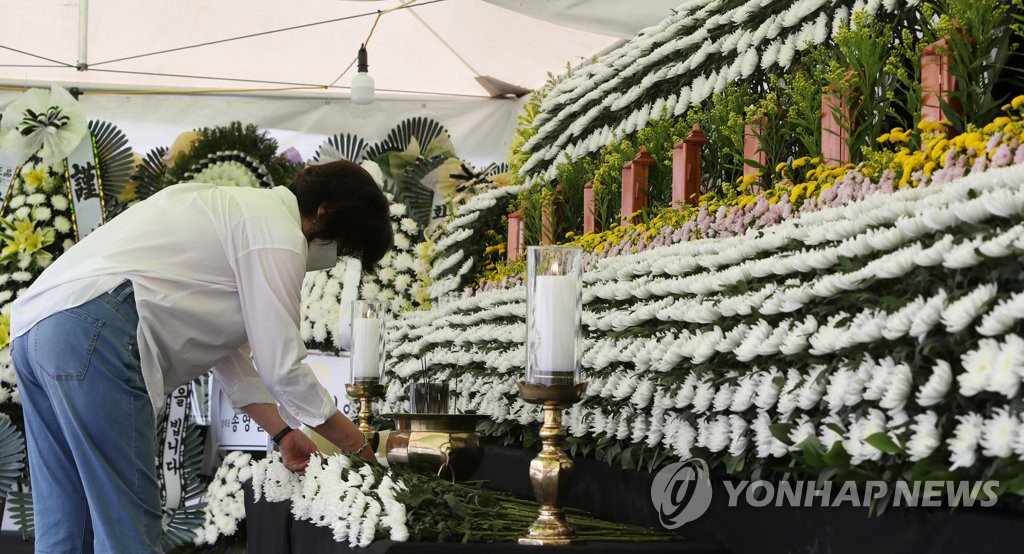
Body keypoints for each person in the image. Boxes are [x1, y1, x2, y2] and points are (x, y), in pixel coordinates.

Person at [10, 159, 394, 552]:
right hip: (93, 333)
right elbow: (282, 366)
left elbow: (228, 355)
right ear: (324, 211)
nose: (335, 255)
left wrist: (282, 432)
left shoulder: (225, 206)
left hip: (35, 331)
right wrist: (357, 446)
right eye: (344, 244)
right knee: (127, 528)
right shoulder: (277, 232)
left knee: (66, 522)